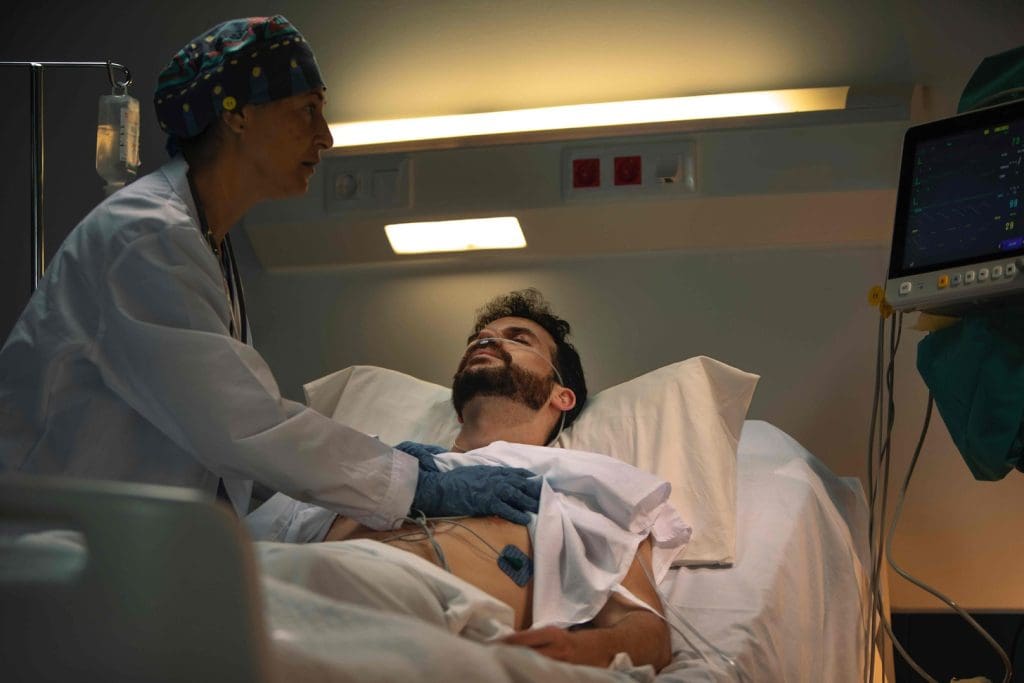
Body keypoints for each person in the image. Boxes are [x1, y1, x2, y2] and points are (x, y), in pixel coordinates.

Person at [0, 16, 539, 533]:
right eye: (307, 110)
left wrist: (386, 464)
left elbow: (236, 446)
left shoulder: (202, 239)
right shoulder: (144, 237)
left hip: (112, 544)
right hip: (47, 546)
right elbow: (244, 424)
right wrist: (410, 484)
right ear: (236, 114)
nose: (325, 136)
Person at [324, 289, 678, 672]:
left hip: (417, 634)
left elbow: (649, 635)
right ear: (458, 412)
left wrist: (572, 651)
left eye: (519, 338)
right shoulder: (367, 465)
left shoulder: (588, 488)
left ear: (562, 396)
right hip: (291, 589)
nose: (488, 341)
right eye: (478, 339)